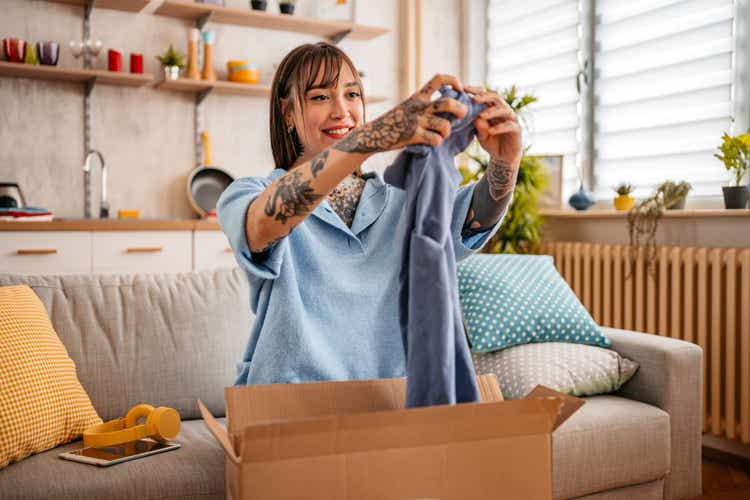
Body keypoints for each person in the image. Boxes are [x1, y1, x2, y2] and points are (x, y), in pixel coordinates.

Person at [217, 42, 522, 386]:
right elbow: (261, 225)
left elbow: (471, 220)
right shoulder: (249, 194)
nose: (341, 111)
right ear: (287, 113)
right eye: (320, 97)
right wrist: (372, 137)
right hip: (287, 403)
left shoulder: (403, 199)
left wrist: (506, 161)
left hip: (385, 402)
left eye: (352, 95)